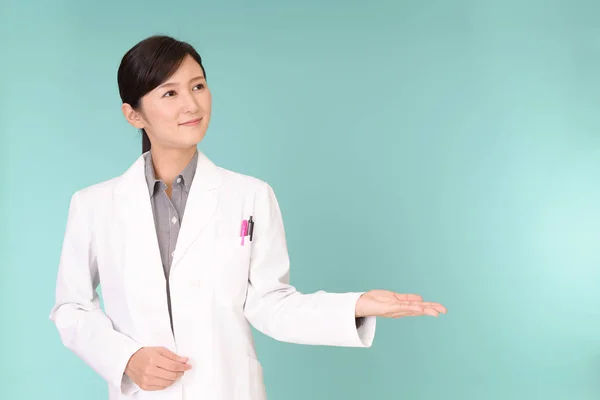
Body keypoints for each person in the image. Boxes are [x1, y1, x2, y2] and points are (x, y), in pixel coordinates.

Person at [49, 35, 447, 400]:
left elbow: (270, 305)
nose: (191, 104)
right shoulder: (94, 206)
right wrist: (127, 358)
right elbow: (71, 306)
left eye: (198, 86)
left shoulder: (251, 196)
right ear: (134, 115)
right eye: (169, 92)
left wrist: (355, 305)